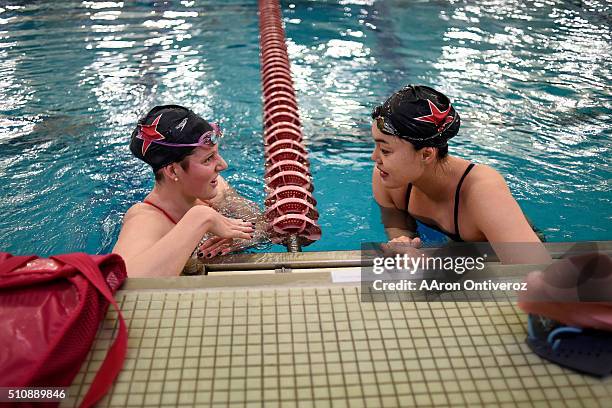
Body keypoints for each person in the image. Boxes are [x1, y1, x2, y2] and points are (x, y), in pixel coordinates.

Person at [370, 85, 551, 264]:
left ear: (426, 154)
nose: (374, 157)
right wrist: (405, 244)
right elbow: (398, 225)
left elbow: (535, 269)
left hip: (499, 249)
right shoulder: (388, 175)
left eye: (385, 150)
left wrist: (434, 263)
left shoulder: (482, 191)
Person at [113, 105, 260, 277]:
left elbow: (262, 225)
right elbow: (120, 281)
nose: (223, 165)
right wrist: (201, 217)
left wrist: (239, 240)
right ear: (173, 171)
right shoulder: (145, 220)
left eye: (216, 154)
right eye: (208, 159)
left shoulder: (213, 186)